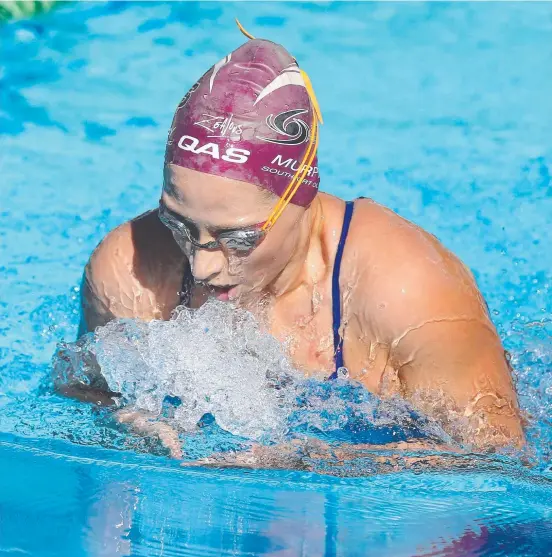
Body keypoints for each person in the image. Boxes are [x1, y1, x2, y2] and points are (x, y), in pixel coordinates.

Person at [69, 27, 524, 452]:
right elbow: (81, 390)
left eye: (239, 237)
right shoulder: (129, 267)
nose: (201, 267)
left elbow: (495, 454)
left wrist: (306, 461)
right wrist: (120, 423)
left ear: (301, 199)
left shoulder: (407, 287)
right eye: (179, 225)